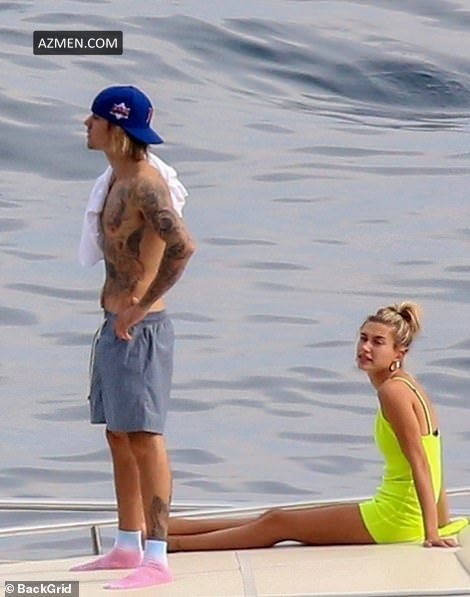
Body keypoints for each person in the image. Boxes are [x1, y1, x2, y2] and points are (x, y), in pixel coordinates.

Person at [167, 302, 468, 552]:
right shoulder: (409, 385)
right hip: (402, 511)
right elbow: (435, 457)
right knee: (272, 518)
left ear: (400, 352)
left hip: (397, 518)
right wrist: (442, 520)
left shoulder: (393, 392)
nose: (365, 347)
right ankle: (166, 528)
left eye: (378, 342)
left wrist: (431, 532)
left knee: (278, 523)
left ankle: (174, 545)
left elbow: (421, 461)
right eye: (363, 338)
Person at [72, 85, 195, 590]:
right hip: (114, 325)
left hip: (141, 330)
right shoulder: (115, 180)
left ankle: (157, 556)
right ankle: (127, 543)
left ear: (115, 129)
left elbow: (183, 247)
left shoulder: (145, 184)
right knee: (117, 434)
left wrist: (141, 305)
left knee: (145, 437)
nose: (87, 124)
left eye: (95, 118)